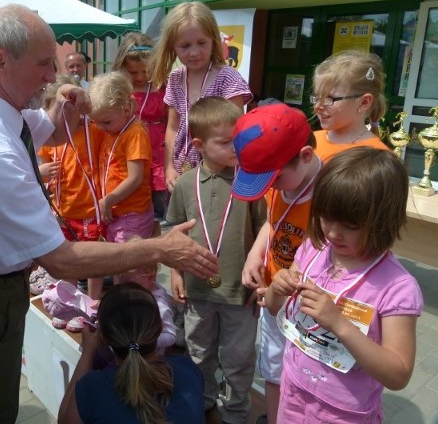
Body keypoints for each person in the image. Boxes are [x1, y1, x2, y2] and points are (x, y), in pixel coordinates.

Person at [0, 4, 219, 424]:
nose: (53, 76)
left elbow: (33, 126)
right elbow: (62, 259)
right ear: (0, 61)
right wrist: (160, 249)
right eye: (44, 64)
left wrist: (59, 111)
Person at [262, 147, 423, 423]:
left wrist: (339, 324)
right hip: (293, 391)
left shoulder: (397, 287)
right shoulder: (313, 250)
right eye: (325, 217)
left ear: (383, 220)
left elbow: (398, 374)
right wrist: (276, 289)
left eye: (350, 225)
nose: (333, 233)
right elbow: (276, 308)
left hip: (343, 413)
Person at [166, 97, 266, 424]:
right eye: (226, 142)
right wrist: (175, 273)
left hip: (240, 292)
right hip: (197, 291)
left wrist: (263, 277)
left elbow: (267, 230)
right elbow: (173, 232)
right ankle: (204, 401)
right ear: (199, 145)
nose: (236, 148)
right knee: (198, 353)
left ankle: (236, 412)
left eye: (239, 140)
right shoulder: (184, 183)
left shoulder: (251, 182)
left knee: (238, 358)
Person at [230, 103, 321, 424]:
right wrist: (256, 252)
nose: (269, 187)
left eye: (273, 178)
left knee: (304, 375)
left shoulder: (329, 196)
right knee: (272, 366)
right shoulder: (282, 180)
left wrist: (278, 292)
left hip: (307, 308)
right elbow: (273, 221)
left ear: (306, 156)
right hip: (272, 296)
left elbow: (324, 258)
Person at [58, 282, 205, 424]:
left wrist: (88, 352)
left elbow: (64, 420)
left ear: (103, 336)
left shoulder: (92, 389)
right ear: (160, 328)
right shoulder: (187, 369)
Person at [150, 1, 253, 193]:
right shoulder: (175, 78)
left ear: (214, 39)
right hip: (182, 174)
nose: (194, 52)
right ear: (172, 47)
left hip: (220, 173)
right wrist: (169, 168)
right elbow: (172, 128)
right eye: (185, 46)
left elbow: (237, 130)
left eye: (201, 43)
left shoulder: (227, 77)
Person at [37, 73, 107, 299]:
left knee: (93, 259)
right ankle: (70, 300)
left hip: (89, 209)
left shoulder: (94, 131)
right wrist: (43, 172)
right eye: (55, 114)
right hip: (64, 210)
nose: (61, 119)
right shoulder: (48, 138)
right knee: (69, 261)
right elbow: (42, 170)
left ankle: (94, 301)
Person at [89, 71, 154, 243]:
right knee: (119, 263)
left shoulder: (134, 133)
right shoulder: (114, 129)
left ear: (126, 110)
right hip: (117, 210)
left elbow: (135, 178)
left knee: (131, 265)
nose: (101, 128)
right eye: (96, 122)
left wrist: (109, 201)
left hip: (132, 213)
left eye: (106, 122)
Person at [113, 32, 169, 223]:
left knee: (160, 199)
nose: (140, 77)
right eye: (133, 72)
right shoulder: (120, 90)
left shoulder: (162, 87)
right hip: (130, 147)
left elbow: (171, 121)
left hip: (159, 148)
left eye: (145, 71)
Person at [311, 50, 389, 161]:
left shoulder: (377, 160)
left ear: (364, 102)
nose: (317, 106)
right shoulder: (311, 140)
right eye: (317, 97)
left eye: (329, 98)